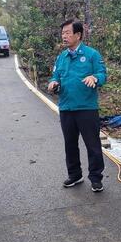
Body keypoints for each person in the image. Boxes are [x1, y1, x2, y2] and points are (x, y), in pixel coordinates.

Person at [47, 19, 107, 192]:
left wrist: (95, 78)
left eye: (67, 32)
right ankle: (75, 175)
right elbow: (55, 76)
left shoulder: (92, 55)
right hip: (66, 108)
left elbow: (102, 74)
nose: (64, 36)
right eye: (63, 33)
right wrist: (53, 83)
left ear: (78, 35)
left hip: (87, 108)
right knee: (70, 144)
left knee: (92, 144)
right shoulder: (61, 57)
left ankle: (96, 178)